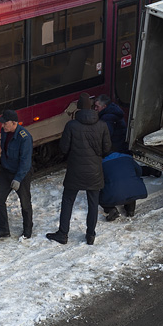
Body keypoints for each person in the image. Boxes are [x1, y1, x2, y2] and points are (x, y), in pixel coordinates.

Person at [47, 93, 112, 246]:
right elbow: (107, 149)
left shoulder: (71, 125)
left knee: (68, 201)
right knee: (93, 203)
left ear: (78, 108)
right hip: (94, 171)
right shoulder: (102, 125)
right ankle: (90, 235)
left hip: (75, 170)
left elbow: (63, 148)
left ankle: (63, 234)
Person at [0, 109, 33, 239]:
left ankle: (27, 230)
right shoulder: (5, 132)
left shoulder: (24, 138)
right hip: (6, 171)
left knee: (25, 203)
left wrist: (18, 179)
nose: (2, 125)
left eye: (5, 123)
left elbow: (25, 161)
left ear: (14, 123)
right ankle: (3, 229)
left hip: (21, 174)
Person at [100, 151, 147, 221]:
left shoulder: (102, 163)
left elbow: (99, 181)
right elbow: (139, 171)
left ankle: (111, 210)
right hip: (135, 189)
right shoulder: (128, 158)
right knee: (130, 190)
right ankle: (130, 210)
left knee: (100, 197)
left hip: (115, 193)